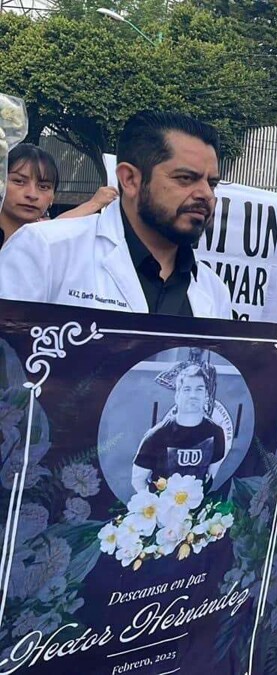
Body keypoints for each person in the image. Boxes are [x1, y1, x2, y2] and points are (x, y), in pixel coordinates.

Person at [0, 111, 232, 319]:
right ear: (129, 179)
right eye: (185, 178)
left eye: (211, 183)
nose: (205, 194)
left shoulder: (213, 290)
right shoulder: (46, 250)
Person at [1, 143, 118, 247]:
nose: (32, 194)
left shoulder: (52, 246)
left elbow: (55, 227)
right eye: (19, 181)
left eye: (43, 187)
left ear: (52, 197)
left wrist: (95, 203)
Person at [132, 364, 226, 491]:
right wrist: (154, 505)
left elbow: (212, 476)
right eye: (187, 389)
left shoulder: (216, 433)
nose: (193, 395)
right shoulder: (156, 435)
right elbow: (138, 480)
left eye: (199, 389)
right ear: (177, 396)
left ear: (206, 396)